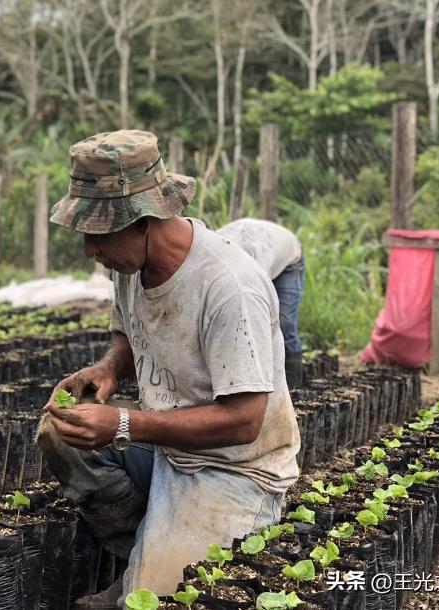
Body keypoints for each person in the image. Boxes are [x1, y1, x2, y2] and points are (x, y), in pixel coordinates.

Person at [38, 130, 300, 609]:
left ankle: (160, 557)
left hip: (232, 470)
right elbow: (128, 331)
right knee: (58, 431)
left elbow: (245, 422)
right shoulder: (130, 265)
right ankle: (142, 543)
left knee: (146, 604)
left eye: (97, 233)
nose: (89, 251)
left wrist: (121, 423)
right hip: (167, 449)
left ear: (144, 220)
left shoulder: (229, 287)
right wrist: (109, 370)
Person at [216, 218, 306, 388]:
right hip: (259, 238)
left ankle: (293, 386)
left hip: (288, 260)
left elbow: (260, 314)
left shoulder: (256, 266)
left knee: (284, 323)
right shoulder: (215, 250)